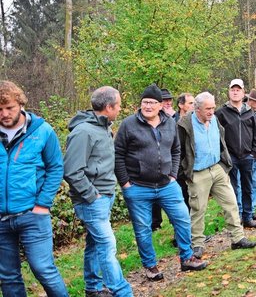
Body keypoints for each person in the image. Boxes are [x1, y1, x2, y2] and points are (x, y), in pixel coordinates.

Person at [115, 84, 206, 281]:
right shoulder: (128, 125)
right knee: (143, 228)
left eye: (152, 102)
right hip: (138, 187)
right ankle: (150, 267)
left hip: (167, 185)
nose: (148, 106)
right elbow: (118, 154)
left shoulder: (170, 123)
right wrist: (125, 183)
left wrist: (173, 174)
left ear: (160, 106)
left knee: (182, 219)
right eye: (144, 102)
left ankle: (187, 258)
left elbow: (176, 150)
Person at [0, 80, 68, 297]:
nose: (4, 114)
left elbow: (56, 167)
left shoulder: (42, 131)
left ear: (20, 104)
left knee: (43, 269)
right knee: (8, 276)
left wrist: (43, 204)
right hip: (1, 219)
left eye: (9, 108)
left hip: (32, 214)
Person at [64, 86, 133, 297]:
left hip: (104, 196)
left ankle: (92, 288)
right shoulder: (83, 132)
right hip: (92, 200)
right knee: (107, 243)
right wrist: (92, 195)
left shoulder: (103, 127)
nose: (120, 109)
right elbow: (71, 170)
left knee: (94, 244)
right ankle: (121, 291)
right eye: (119, 105)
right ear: (108, 107)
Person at [177, 92, 256, 259]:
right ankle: (197, 244)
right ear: (197, 109)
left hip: (217, 168)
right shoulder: (185, 124)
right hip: (198, 173)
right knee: (198, 209)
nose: (212, 111)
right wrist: (184, 172)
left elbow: (221, 140)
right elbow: (178, 151)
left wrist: (224, 163)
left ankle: (238, 238)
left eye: (213, 107)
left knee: (231, 202)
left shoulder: (214, 120)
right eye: (208, 108)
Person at [215, 79, 256, 229]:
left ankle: (248, 216)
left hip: (247, 156)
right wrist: (223, 155)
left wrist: (254, 152)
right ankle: (236, 219)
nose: (235, 92)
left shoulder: (249, 112)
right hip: (231, 157)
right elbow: (217, 136)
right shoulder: (221, 113)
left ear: (243, 93)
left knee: (248, 187)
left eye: (238, 90)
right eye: (232, 90)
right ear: (229, 92)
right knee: (233, 190)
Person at [151, 88, 178, 232]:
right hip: (154, 165)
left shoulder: (175, 117)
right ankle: (156, 223)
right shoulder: (152, 118)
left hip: (172, 162)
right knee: (155, 197)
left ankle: (176, 225)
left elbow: (177, 146)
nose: (167, 103)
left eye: (169, 100)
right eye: (164, 100)